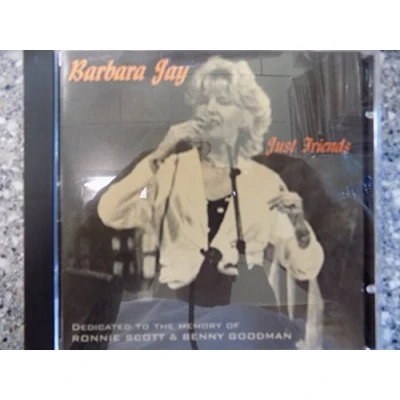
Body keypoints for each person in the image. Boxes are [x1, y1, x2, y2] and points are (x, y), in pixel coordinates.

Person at [96, 56, 326, 350]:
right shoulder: (165, 170)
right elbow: (110, 212)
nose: (212, 109)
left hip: (236, 329)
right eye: (204, 100)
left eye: (225, 101)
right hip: (167, 322)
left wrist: (298, 226)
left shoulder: (268, 180)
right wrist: (158, 155)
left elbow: (308, 268)